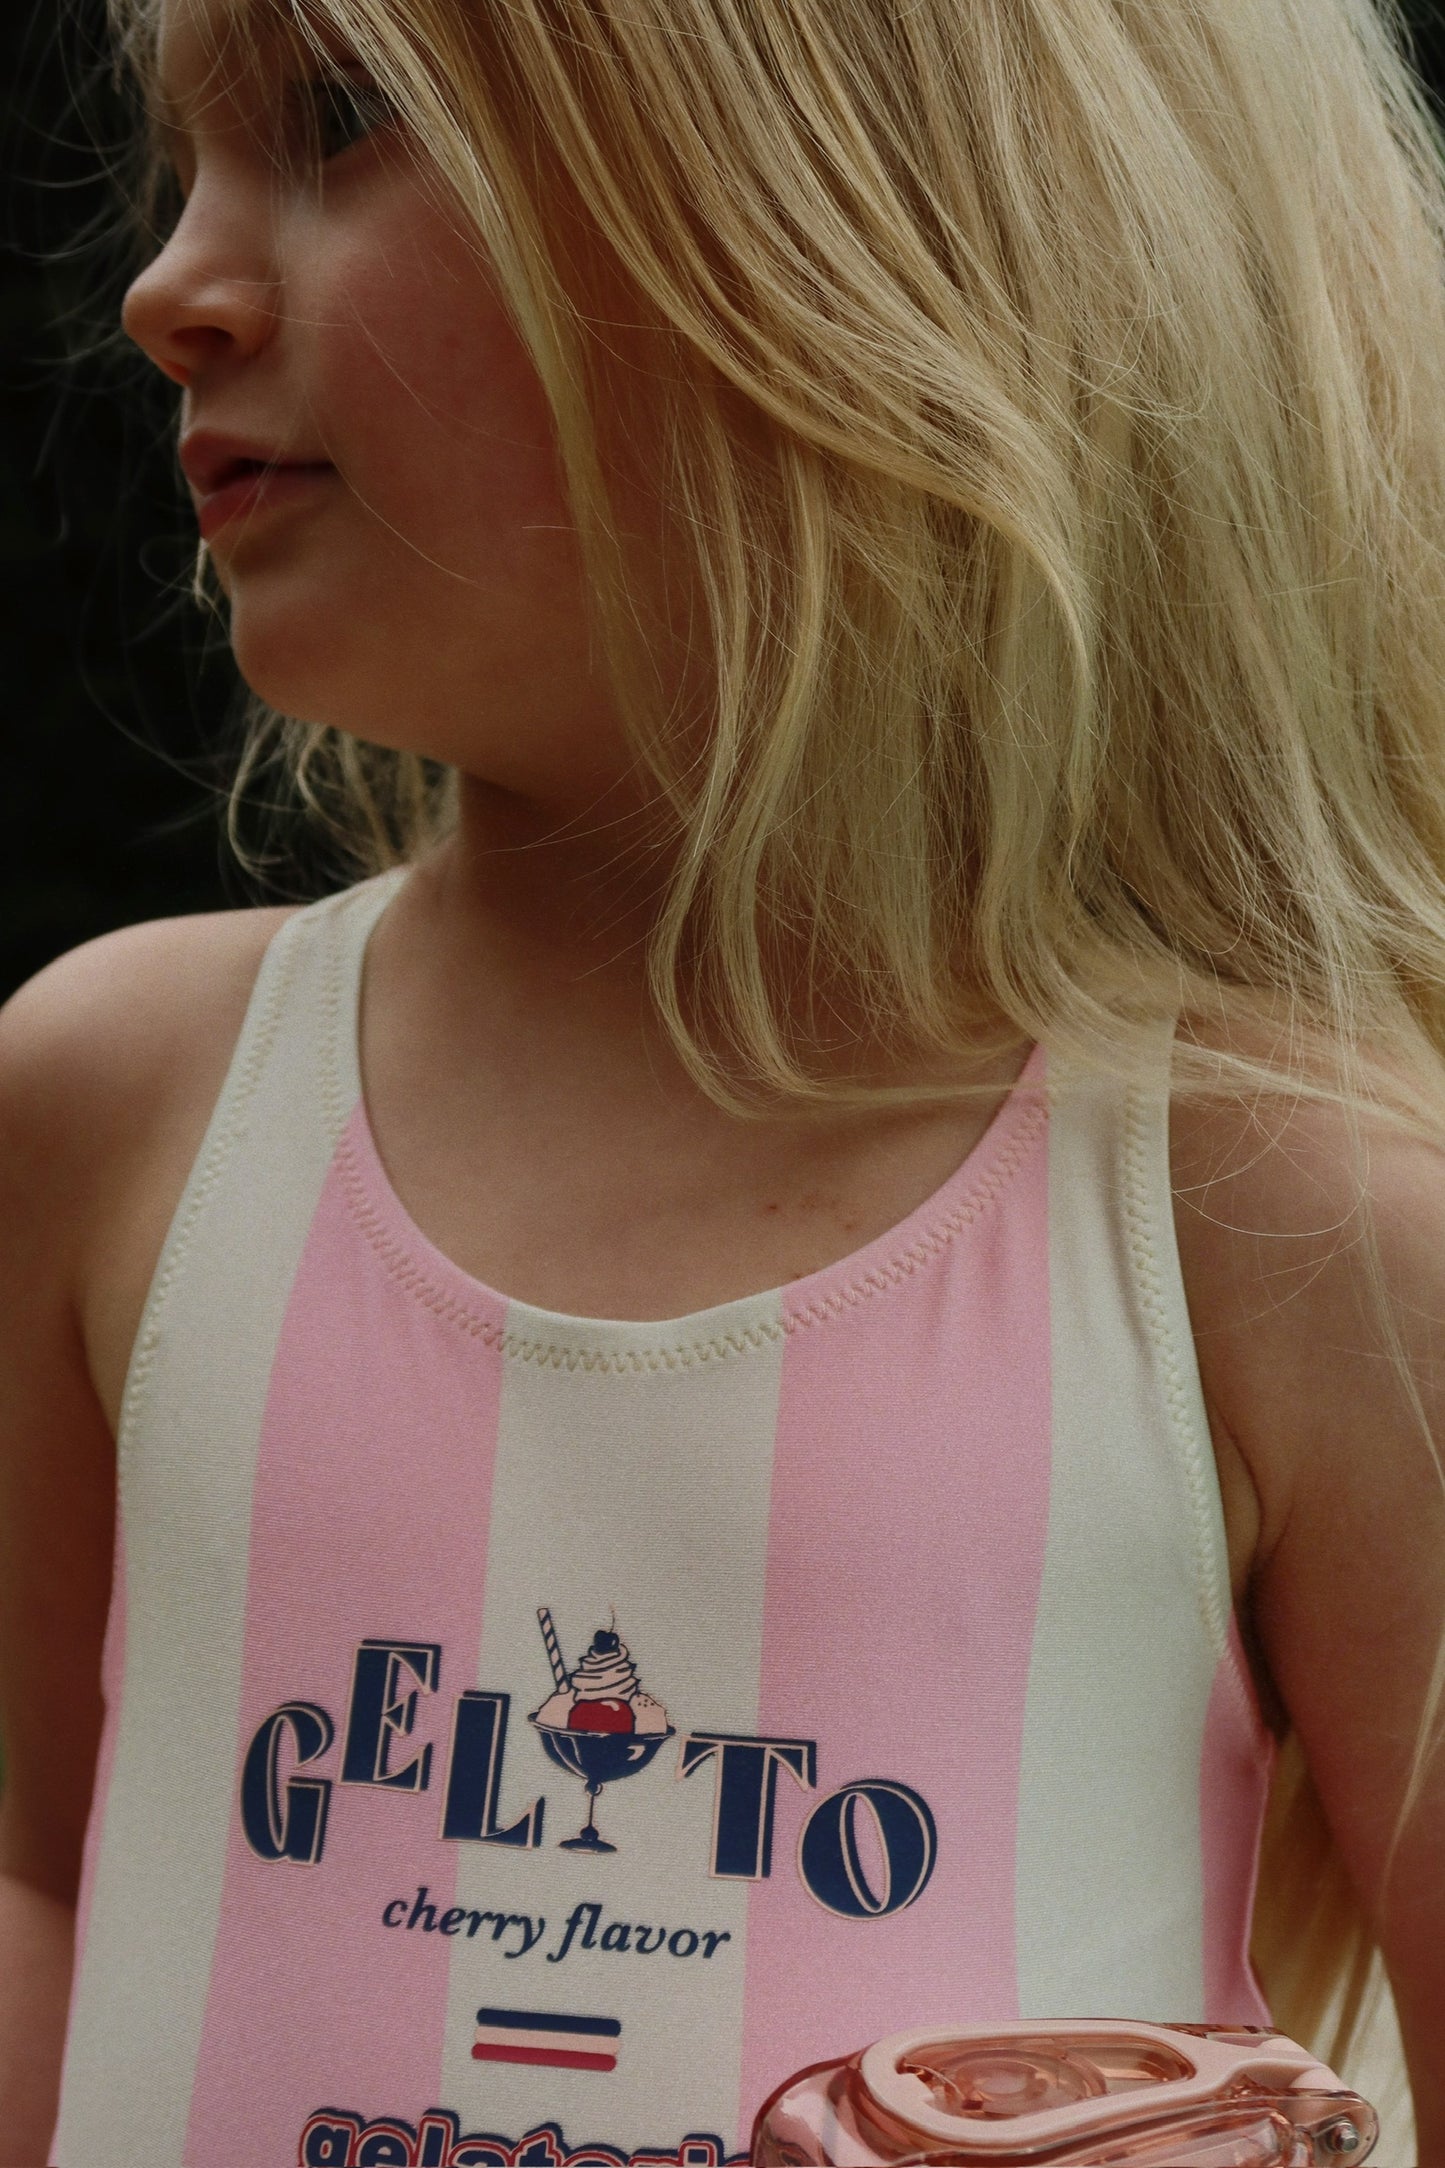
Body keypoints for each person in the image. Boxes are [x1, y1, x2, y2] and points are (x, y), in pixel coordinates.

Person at [1, 0, 1443, 2159]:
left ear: (880, 220)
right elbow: (42, 1879)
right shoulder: (115, 1106)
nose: (169, 285)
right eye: (183, 165)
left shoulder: (1287, 1220)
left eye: (340, 117)